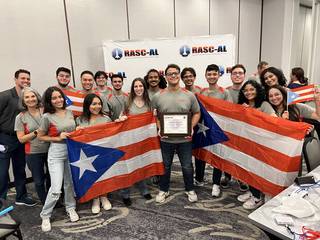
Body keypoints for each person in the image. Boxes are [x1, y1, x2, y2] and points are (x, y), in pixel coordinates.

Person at [152, 64, 200, 203]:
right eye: (170, 74)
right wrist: (159, 127)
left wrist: (191, 126)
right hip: (166, 139)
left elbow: (197, 113)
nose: (173, 76)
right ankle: (163, 189)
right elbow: (153, 115)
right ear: (166, 77)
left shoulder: (189, 95)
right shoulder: (157, 96)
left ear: (179, 75)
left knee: (187, 166)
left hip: (185, 139)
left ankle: (190, 189)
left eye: (176, 73)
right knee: (165, 166)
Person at [38, 86, 79, 232]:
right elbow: (40, 136)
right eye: (54, 98)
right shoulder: (46, 116)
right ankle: (45, 215)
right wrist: (57, 138)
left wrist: (77, 132)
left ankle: (70, 207)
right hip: (56, 152)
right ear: (49, 101)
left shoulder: (69, 112)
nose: (58, 100)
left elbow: (73, 130)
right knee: (56, 188)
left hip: (71, 151)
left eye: (60, 97)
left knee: (69, 184)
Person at [237, 80, 277, 210]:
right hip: (247, 142)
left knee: (257, 170)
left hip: (261, 144)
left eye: (251, 89)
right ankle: (253, 191)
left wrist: (252, 114)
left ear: (257, 90)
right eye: (246, 90)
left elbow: (273, 119)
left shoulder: (264, 104)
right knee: (248, 169)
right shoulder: (242, 105)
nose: (248, 92)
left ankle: (257, 198)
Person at [0, 69, 36, 206]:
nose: (26, 81)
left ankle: (21, 196)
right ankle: (1, 201)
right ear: (15, 79)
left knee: (20, 169)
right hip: (4, 138)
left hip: (21, 138)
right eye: (23, 78)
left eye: (28, 78)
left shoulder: (28, 97)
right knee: (2, 172)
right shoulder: (4, 96)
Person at [198, 64, 232, 197]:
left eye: (214, 74)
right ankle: (199, 178)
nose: (212, 77)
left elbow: (228, 111)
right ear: (206, 76)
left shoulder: (225, 92)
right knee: (203, 153)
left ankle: (216, 184)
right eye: (209, 74)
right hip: (205, 129)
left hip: (218, 130)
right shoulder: (202, 92)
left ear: (219, 75)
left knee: (218, 158)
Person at [76, 93, 113, 213]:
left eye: (99, 104)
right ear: (87, 105)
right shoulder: (79, 120)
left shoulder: (106, 118)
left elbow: (112, 134)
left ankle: (104, 197)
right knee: (91, 176)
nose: (97, 106)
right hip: (87, 154)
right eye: (93, 104)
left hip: (103, 152)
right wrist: (77, 131)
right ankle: (95, 199)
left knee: (103, 175)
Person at [119, 78, 152, 206]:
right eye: (135, 86)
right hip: (129, 140)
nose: (138, 88)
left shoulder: (149, 103)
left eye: (140, 86)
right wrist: (121, 118)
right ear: (133, 89)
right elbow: (121, 117)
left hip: (143, 140)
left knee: (141, 165)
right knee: (128, 166)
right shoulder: (127, 103)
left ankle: (144, 189)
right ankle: (125, 193)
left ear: (144, 87)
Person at [15, 87, 50, 205]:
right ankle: (45, 202)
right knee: (39, 180)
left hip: (51, 149)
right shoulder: (20, 117)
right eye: (27, 97)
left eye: (33, 96)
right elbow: (21, 139)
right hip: (33, 152)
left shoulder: (45, 110)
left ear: (37, 97)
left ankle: (54, 199)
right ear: (23, 100)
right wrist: (36, 132)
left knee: (52, 177)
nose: (30, 99)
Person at [226, 64, 249, 192]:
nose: (237, 75)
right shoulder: (226, 91)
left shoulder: (249, 90)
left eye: (240, 73)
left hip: (245, 129)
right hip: (230, 128)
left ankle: (242, 178)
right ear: (231, 76)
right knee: (228, 153)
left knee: (242, 155)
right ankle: (227, 176)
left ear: (244, 75)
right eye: (235, 73)